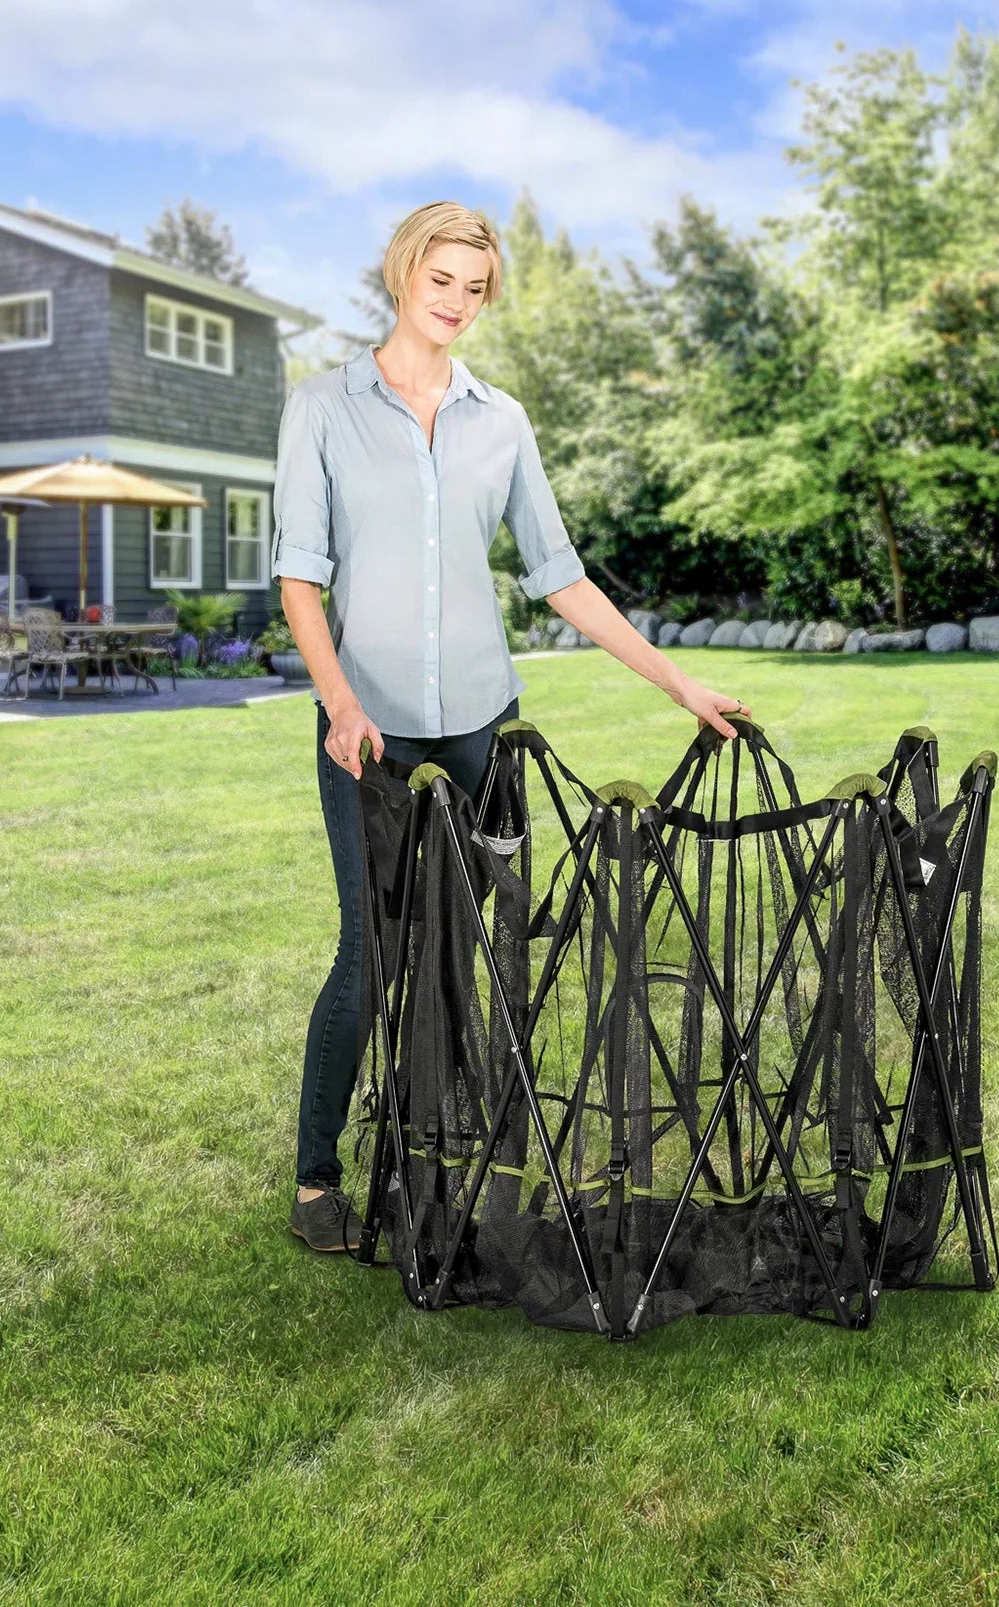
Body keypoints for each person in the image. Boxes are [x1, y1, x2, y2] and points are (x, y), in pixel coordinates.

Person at [274, 200, 748, 1252]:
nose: (456, 303)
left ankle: (445, 1150)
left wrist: (676, 684)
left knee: (473, 954)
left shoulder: (502, 419)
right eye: (441, 280)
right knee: (370, 953)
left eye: (474, 288)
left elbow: (559, 576)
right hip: (370, 734)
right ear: (403, 272)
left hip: (484, 727)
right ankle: (317, 1181)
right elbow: (300, 571)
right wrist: (339, 699)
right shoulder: (323, 407)